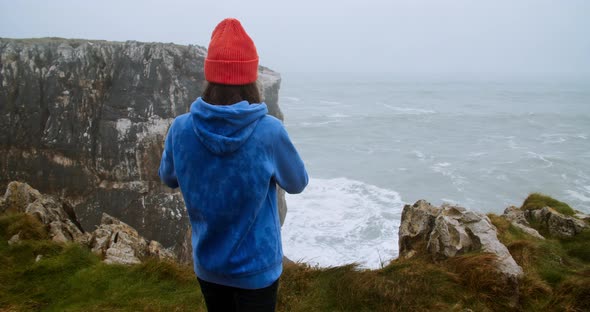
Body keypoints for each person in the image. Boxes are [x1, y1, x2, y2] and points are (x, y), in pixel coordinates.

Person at [158, 18, 308, 312]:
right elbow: (297, 182)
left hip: (208, 263)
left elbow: (168, 177)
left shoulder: (181, 129)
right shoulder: (269, 131)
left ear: (210, 76)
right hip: (257, 269)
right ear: (250, 77)